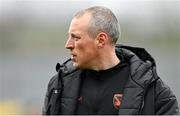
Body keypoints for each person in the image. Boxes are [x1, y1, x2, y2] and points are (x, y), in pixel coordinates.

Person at [42, 6, 179, 115]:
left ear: (101, 40)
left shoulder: (155, 92)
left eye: (76, 38)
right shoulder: (59, 85)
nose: (68, 45)